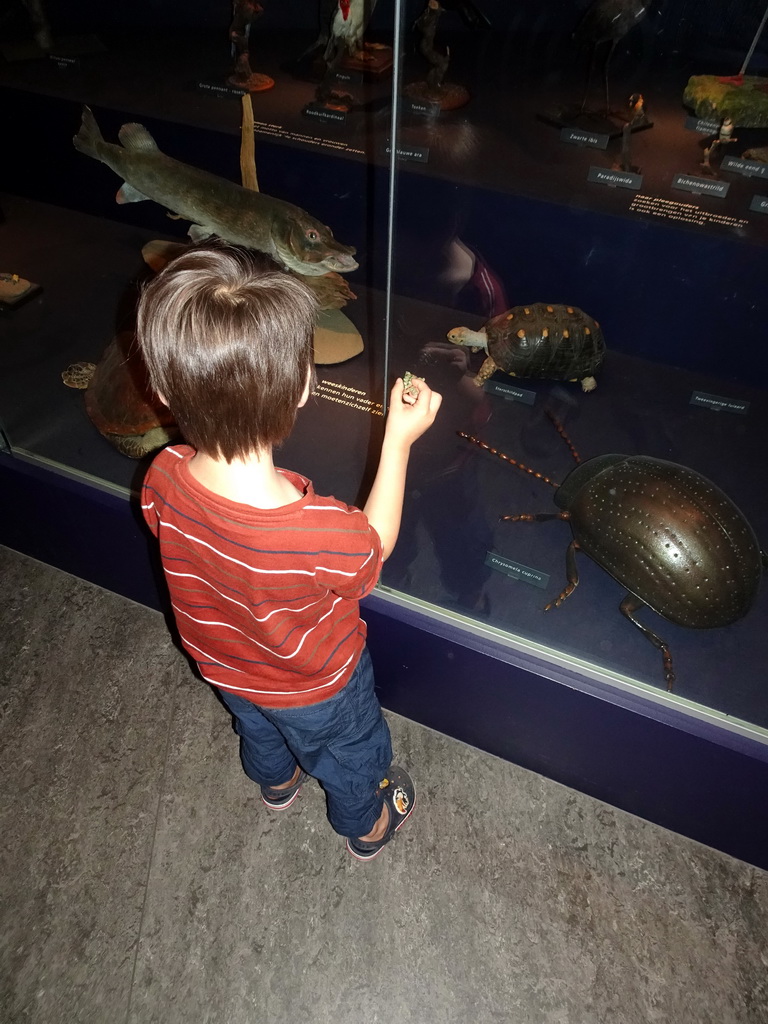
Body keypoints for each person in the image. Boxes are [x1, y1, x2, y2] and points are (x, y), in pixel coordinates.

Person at [137, 242, 442, 860]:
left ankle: (276, 783)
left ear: (165, 390)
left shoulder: (162, 473)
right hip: (319, 687)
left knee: (256, 724)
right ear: (303, 385)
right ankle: (367, 823)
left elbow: (172, 531)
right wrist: (399, 443)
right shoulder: (315, 531)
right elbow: (371, 554)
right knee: (353, 754)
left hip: (224, 664)